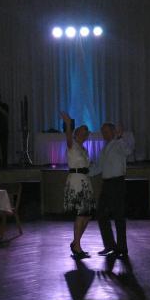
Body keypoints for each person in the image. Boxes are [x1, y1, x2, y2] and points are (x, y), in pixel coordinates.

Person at [90, 122, 134, 258]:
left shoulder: (119, 143)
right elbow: (99, 167)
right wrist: (83, 172)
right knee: (101, 214)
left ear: (114, 132)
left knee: (118, 216)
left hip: (117, 183)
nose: (104, 134)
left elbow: (128, 151)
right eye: (103, 132)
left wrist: (120, 138)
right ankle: (110, 246)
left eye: (106, 131)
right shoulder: (105, 147)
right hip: (107, 184)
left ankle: (122, 248)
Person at [60, 111, 94, 259]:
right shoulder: (72, 144)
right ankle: (77, 246)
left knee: (87, 215)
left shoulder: (84, 149)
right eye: (82, 131)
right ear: (76, 133)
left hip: (85, 181)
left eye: (86, 133)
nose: (84, 134)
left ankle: (75, 242)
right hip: (76, 181)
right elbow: (68, 136)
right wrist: (68, 124)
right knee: (81, 214)